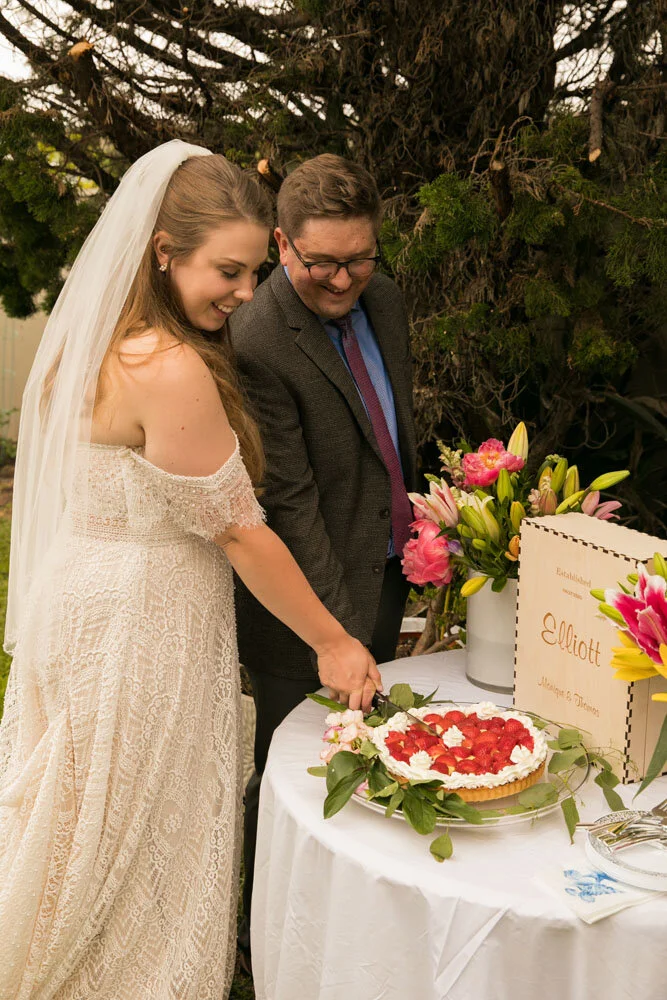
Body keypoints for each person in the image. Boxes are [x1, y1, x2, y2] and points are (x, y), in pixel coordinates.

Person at [0, 141, 380, 1000]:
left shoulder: (90, 341)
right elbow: (241, 533)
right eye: (229, 271)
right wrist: (332, 642)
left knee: (74, 826)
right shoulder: (167, 369)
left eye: (252, 273)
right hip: (144, 629)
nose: (246, 294)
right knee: (140, 837)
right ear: (163, 252)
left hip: (81, 601)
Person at [229, 153, 418, 967]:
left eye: (359, 257)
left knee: (372, 761)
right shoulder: (257, 338)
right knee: (291, 768)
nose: (343, 280)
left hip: (382, 565)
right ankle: (259, 937)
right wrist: (335, 635)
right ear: (280, 244)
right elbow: (290, 503)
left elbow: (390, 440)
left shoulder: (385, 296)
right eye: (321, 263)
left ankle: (359, 940)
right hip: (302, 598)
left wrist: (420, 540)